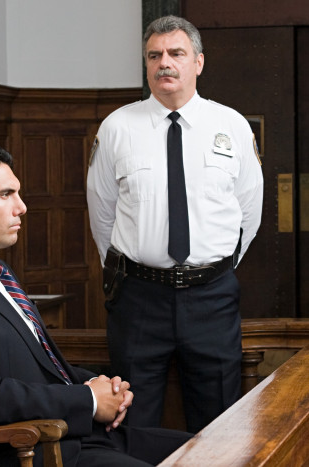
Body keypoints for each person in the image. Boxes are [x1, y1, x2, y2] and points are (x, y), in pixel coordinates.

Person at [0, 141, 192, 466]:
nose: (21, 207)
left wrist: (98, 384)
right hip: (32, 450)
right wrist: (89, 400)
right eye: (5, 194)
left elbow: (39, 368)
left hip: (76, 435)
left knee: (207, 449)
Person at [86, 15, 264, 433]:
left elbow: (249, 211)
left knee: (219, 419)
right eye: (154, 55)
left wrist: (214, 267)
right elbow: (102, 214)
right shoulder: (117, 127)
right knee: (132, 421)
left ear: (198, 62)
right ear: (146, 64)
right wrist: (131, 270)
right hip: (139, 299)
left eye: (176, 53)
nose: (164, 62)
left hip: (212, 298)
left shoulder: (232, 126)